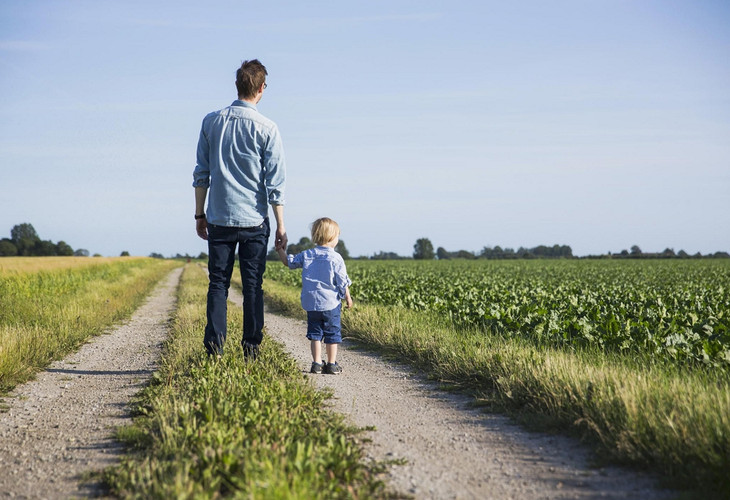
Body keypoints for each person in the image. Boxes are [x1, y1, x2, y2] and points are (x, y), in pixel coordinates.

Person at [193, 59, 287, 359]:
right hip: (254, 221)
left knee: (218, 284)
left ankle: (214, 350)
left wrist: (199, 214)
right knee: (252, 287)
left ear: (238, 86)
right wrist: (281, 225)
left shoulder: (211, 121)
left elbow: (201, 173)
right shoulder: (268, 128)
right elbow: (275, 183)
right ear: (260, 89)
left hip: (219, 217)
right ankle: (251, 349)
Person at [276, 217, 353, 374]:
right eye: (337, 235)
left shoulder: (307, 254)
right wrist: (348, 297)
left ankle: (317, 363)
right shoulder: (336, 258)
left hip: (312, 303)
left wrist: (280, 250)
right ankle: (331, 364)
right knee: (332, 334)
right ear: (331, 237)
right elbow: (342, 282)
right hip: (331, 304)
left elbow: (288, 263)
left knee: (315, 334)